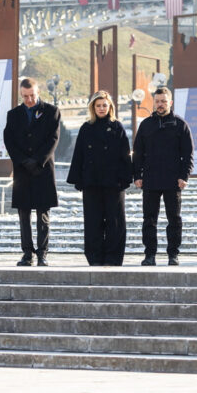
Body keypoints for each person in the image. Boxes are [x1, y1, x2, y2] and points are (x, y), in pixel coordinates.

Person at [67, 91, 132, 265]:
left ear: (110, 106)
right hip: (92, 182)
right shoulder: (86, 128)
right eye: (98, 105)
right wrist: (78, 179)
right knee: (93, 221)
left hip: (114, 183)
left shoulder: (117, 127)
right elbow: (78, 155)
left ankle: (113, 257)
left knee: (115, 221)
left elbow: (125, 154)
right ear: (93, 108)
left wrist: (126, 178)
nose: (101, 108)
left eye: (104, 105)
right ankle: (95, 257)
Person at [133, 87, 194, 266]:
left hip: (173, 180)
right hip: (150, 179)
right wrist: (137, 175)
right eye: (158, 101)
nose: (160, 105)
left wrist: (184, 176)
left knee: (174, 219)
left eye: (164, 101)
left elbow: (188, 154)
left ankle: (173, 254)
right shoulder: (146, 125)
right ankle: (150, 254)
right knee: (149, 219)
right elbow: (138, 153)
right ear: (154, 102)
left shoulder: (180, 125)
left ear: (170, 103)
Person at [4, 77, 61, 266]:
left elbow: (53, 139)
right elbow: (9, 140)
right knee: (24, 214)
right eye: (25, 96)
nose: (28, 100)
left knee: (43, 215)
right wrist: (22, 161)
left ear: (38, 93)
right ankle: (27, 253)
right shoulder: (13, 114)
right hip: (22, 171)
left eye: (32, 96)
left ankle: (42, 253)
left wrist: (37, 160)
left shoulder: (52, 112)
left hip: (43, 170)